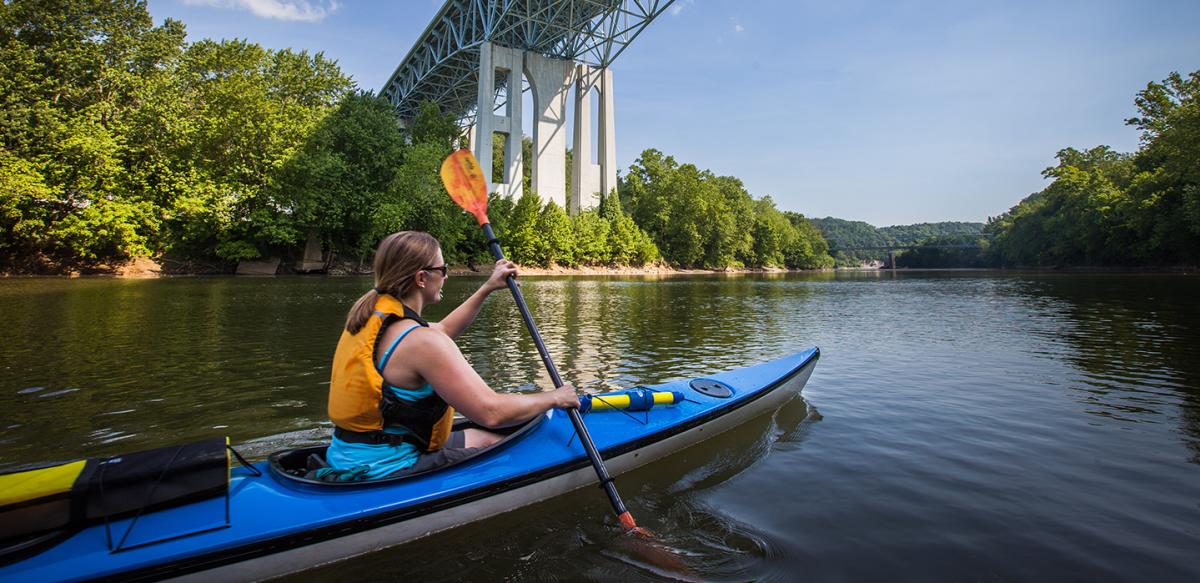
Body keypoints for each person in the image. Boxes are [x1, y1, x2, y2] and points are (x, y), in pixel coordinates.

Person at [323, 231, 578, 480]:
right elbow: (491, 412)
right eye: (442, 270)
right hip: (386, 468)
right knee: (514, 447)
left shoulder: (372, 318)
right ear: (422, 278)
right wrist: (554, 397)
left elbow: (443, 329)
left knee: (486, 438)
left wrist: (487, 288)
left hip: (348, 456)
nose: (445, 277)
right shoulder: (422, 342)